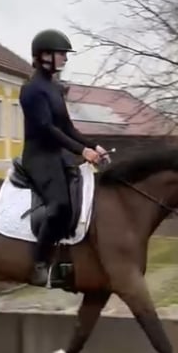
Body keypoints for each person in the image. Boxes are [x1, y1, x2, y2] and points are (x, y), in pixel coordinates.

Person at [18, 28, 108, 286]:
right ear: (45, 56)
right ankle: (39, 263)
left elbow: (67, 128)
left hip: (58, 156)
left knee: (85, 200)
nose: (65, 59)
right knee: (59, 206)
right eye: (61, 54)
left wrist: (95, 146)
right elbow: (47, 129)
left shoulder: (55, 89)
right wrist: (82, 152)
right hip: (38, 158)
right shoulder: (32, 90)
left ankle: (69, 259)